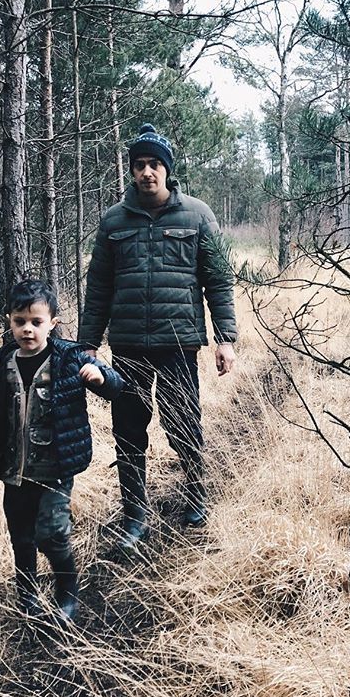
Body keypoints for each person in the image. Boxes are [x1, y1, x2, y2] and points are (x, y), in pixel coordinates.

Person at [81, 123, 237, 553]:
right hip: (128, 344)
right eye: (139, 165)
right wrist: (88, 344)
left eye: (154, 165)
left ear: (168, 169)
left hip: (178, 342)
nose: (147, 172)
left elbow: (218, 280)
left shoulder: (197, 214)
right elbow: (98, 288)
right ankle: (134, 516)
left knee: (184, 423)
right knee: (129, 430)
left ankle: (196, 494)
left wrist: (225, 338)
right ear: (131, 171)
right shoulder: (114, 221)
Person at [0, 278, 125, 623]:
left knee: (52, 532)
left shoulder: (69, 357)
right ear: (8, 319)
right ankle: (27, 596)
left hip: (56, 468)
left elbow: (117, 387)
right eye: (19, 321)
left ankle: (66, 595)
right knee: (21, 536)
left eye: (36, 322)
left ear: (52, 323)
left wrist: (100, 378)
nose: (28, 329)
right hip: (14, 469)